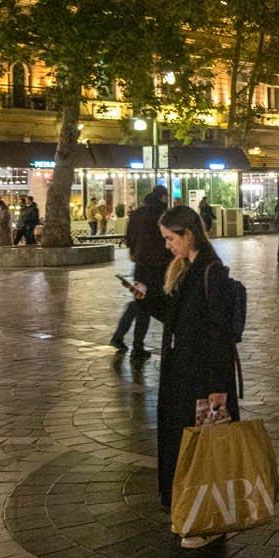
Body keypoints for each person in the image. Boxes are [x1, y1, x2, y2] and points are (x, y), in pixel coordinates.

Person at [129, 205, 242, 527]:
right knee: (188, 450)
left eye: (170, 238)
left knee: (202, 454)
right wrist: (146, 299)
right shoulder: (186, 268)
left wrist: (218, 388)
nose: (167, 245)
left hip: (201, 380)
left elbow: (219, 335)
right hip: (182, 376)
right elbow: (176, 320)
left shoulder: (211, 272)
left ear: (187, 234)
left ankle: (204, 517)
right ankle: (189, 512)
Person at [110, 186, 171, 356]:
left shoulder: (137, 213)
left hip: (141, 268)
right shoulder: (161, 214)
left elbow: (129, 238)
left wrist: (137, 253)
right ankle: (136, 345)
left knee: (141, 302)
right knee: (145, 305)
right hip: (158, 269)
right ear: (162, 197)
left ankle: (122, 337)